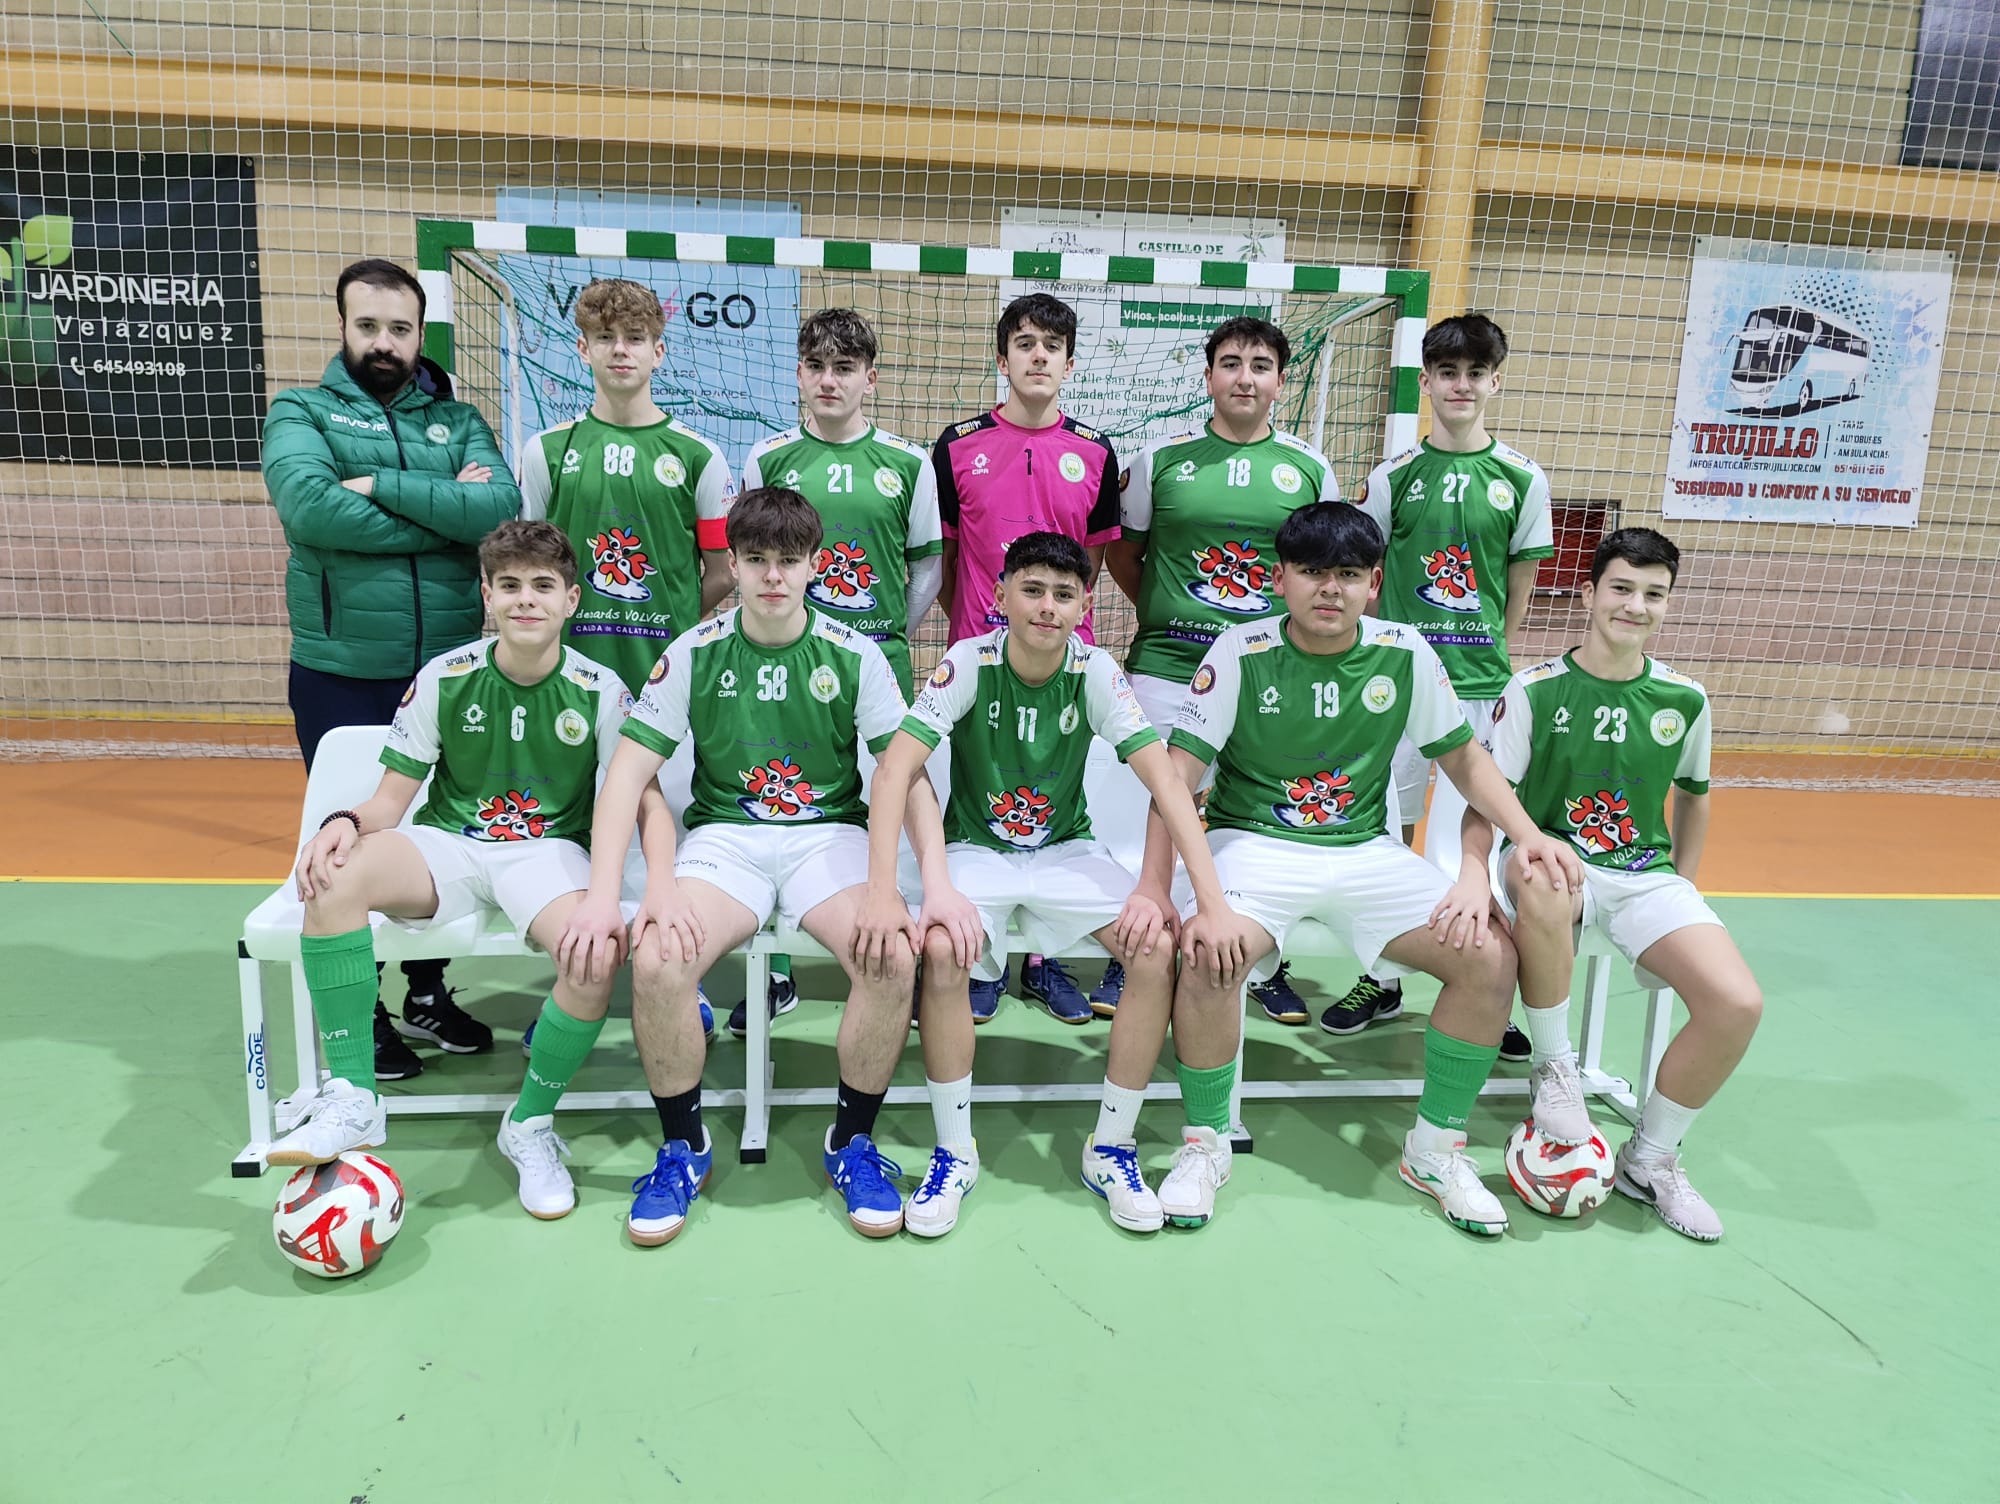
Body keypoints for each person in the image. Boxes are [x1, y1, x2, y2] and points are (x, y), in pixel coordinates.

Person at [1147, 501, 1582, 1234]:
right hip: (1253, 843)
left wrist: (1526, 836)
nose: (1330, 590)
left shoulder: (1405, 651)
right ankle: (1205, 1143)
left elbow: (1466, 761)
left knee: (1487, 958)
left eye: (1347, 575)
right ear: (1279, 578)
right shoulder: (1239, 652)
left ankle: (1436, 1149)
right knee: (1210, 953)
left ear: (1374, 583)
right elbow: (1175, 782)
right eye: (1312, 572)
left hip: (1364, 849)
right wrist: (1177, 893)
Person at [560, 487, 946, 1246]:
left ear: (817, 567)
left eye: (789, 561)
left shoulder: (854, 655)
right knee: (661, 956)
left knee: (892, 956)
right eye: (757, 560)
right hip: (726, 840)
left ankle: (852, 1142)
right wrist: (612, 896)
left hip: (824, 837)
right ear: (731, 564)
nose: (773, 576)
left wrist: (907, 888)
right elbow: (626, 779)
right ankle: (682, 1147)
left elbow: (908, 778)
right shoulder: (693, 655)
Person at [867, 532, 1244, 1236]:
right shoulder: (970, 662)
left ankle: (1111, 1146)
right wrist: (894, 889)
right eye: (1033, 590)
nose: (1047, 607)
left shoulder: (1096, 672)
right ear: (1001, 595)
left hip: (1066, 850)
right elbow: (895, 771)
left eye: (1064, 595)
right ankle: (955, 1153)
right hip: (976, 849)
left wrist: (1184, 894)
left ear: (1083, 608)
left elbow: (1166, 782)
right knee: (945, 946)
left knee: (1156, 944)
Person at [267, 522, 643, 1226]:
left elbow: (630, 799)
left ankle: (529, 1125)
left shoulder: (601, 690)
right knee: (333, 877)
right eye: (509, 586)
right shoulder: (447, 676)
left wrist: (603, 896)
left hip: (546, 850)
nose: (525, 600)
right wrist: (342, 824)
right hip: (450, 842)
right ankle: (352, 1097)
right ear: (487, 597)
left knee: (595, 952)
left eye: (541, 586)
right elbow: (389, 801)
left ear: (570, 600)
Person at [1456, 527, 1760, 1241]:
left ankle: (1650, 1160)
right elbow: (1484, 799)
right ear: (1589, 593)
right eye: (1622, 588)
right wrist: (1474, 870)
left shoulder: (1684, 699)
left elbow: (1694, 795)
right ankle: (1556, 1069)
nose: (1636, 605)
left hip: (1643, 876)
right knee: (1542, 868)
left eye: (1654, 594)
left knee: (1736, 1003)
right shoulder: (1532, 691)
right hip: (1552, 866)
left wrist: (1684, 890)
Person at [263, 257, 522, 1081]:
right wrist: (439, 514)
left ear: (419, 334)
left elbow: (497, 510)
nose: (384, 342)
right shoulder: (299, 411)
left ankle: (426, 990)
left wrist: (376, 485)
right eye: (368, 325)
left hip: (447, 673)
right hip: (343, 670)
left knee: (438, 830)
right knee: (348, 834)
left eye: (400, 328)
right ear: (343, 327)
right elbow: (308, 506)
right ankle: (363, 1006)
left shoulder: (459, 420)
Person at [1323, 314, 1554, 1057]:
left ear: (1496, 382)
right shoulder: (1392, 479)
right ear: (1425, 383)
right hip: (1392, 686)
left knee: (1468, 846)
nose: (1461, 386)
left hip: (1479, 685)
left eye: (1475, 373)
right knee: (1380, 832)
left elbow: (1519, 586)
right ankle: (1382, 977)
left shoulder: (1523, 478)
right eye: (1447, 373)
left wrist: (1496, 663)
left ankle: (1487, 984)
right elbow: (1365, 578)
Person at [1104, 314, 1337, 1025]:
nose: (1245, 377)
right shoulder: (1160, 460)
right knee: (1148, 815)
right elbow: (1124, 554)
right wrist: (1167, 612)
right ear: (1207, 377)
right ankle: (1134, 955)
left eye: (1259, 365)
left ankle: (1262, 960)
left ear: (1279, 381)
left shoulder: (1309, 469)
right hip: (1168, 664)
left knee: (1253, 814)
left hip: (1270, 675)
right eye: (1230, 363)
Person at [741, 308, 945, 1039]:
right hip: (781, 666)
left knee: (893, 809)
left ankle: (905, 954)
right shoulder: (768, 460)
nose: (830, 381)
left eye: (846, 368)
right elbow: (753, 561)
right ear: (799, 373)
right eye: (817, 367)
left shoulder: (907, 463)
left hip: (877, 661)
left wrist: (883, 633)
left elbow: (928, 567)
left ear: (870, 378)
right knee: (781, 803)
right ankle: (773, 973)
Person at [931, 291, 1121, 1023]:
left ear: (1070, 363)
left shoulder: (1096, 452)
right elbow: (949, 557)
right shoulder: (956, 444)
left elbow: (1096, 566)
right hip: (977, 664)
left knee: (1052, 814)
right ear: (1003, 355)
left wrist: (1049, 622)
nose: (1038, 356)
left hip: (1063, 668)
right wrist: (976, 628)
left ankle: (1041, 963)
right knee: (977, 813)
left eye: (1052, 345)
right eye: (1025, 342)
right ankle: (980, 960)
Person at [517, 276, 736, 696]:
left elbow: (723, 574)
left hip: (666, 678)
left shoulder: (700, 456)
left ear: (658, 353)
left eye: (635, 338)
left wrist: (675, 619)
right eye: (605, 337)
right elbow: (531, 567)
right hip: (566, 674)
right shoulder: (544, 451)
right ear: (584, 349)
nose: (620, 349)